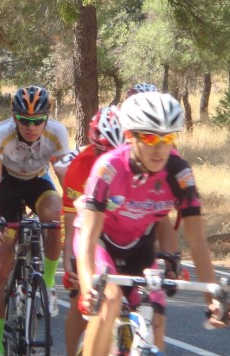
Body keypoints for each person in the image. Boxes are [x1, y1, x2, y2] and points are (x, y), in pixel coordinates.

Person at [75, 92, 229, 356]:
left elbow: (198, 242)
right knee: (109, 301)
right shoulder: (108, 169)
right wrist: (89, 288)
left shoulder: (179, 174)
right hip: (100, 243)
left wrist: (212, 299)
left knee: (156, 313)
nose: (160, 148)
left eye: (167, 138)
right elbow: (88, 237)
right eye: (149, 137)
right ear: (129, 136)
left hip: (140, 247)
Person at [0, 85, 70, 356]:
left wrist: (74, 214)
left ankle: (47, 281)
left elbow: (66, 180)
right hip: (7, 185)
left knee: (55, 215)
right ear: (14, 118)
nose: (31, 127)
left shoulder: (57, 133)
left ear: (47, 117)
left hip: (37, 182)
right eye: (25, 121)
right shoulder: (0, 134)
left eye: (37, 121)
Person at [60, 106, 125, 355]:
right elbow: (73, 226)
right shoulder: (80, 167)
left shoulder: (141, 164)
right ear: (93, 145)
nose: (110, 159)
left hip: (125, 232)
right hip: (89, 232)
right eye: (103, 151)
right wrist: (69, 267)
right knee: (80, 296)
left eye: (118, 152)